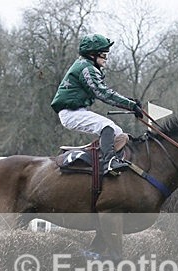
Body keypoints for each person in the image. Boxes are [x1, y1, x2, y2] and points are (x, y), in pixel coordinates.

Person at [50, 33, 143, 175]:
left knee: (118, 133)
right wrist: (131, 105)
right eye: (103, 55)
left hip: (77, 111)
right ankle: (109, 164)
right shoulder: (86, 69)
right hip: (70, 113)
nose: (106, 59)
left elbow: (105, 91)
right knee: (106, 127)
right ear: (92, 54)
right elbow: (103, 93)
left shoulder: (86, 66)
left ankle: (104, 161)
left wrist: (129, 102)